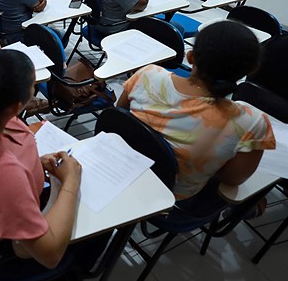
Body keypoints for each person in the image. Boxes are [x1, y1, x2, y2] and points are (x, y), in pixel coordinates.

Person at [0, 50, 110, 275]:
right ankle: (66, 279)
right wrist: (71, 182)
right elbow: (50, 255)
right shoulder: (2, 175)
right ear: (17, 106)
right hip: (1, 251)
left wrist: (33, 164)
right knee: (101, 223)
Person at [117, 20, 276, 202]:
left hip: (124, 168)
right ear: (251, 70)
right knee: (253, 197)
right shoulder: (251, 122)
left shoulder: (147, 75)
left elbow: (119, 116)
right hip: (172, 195)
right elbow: (233, 179)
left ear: (190, 56)